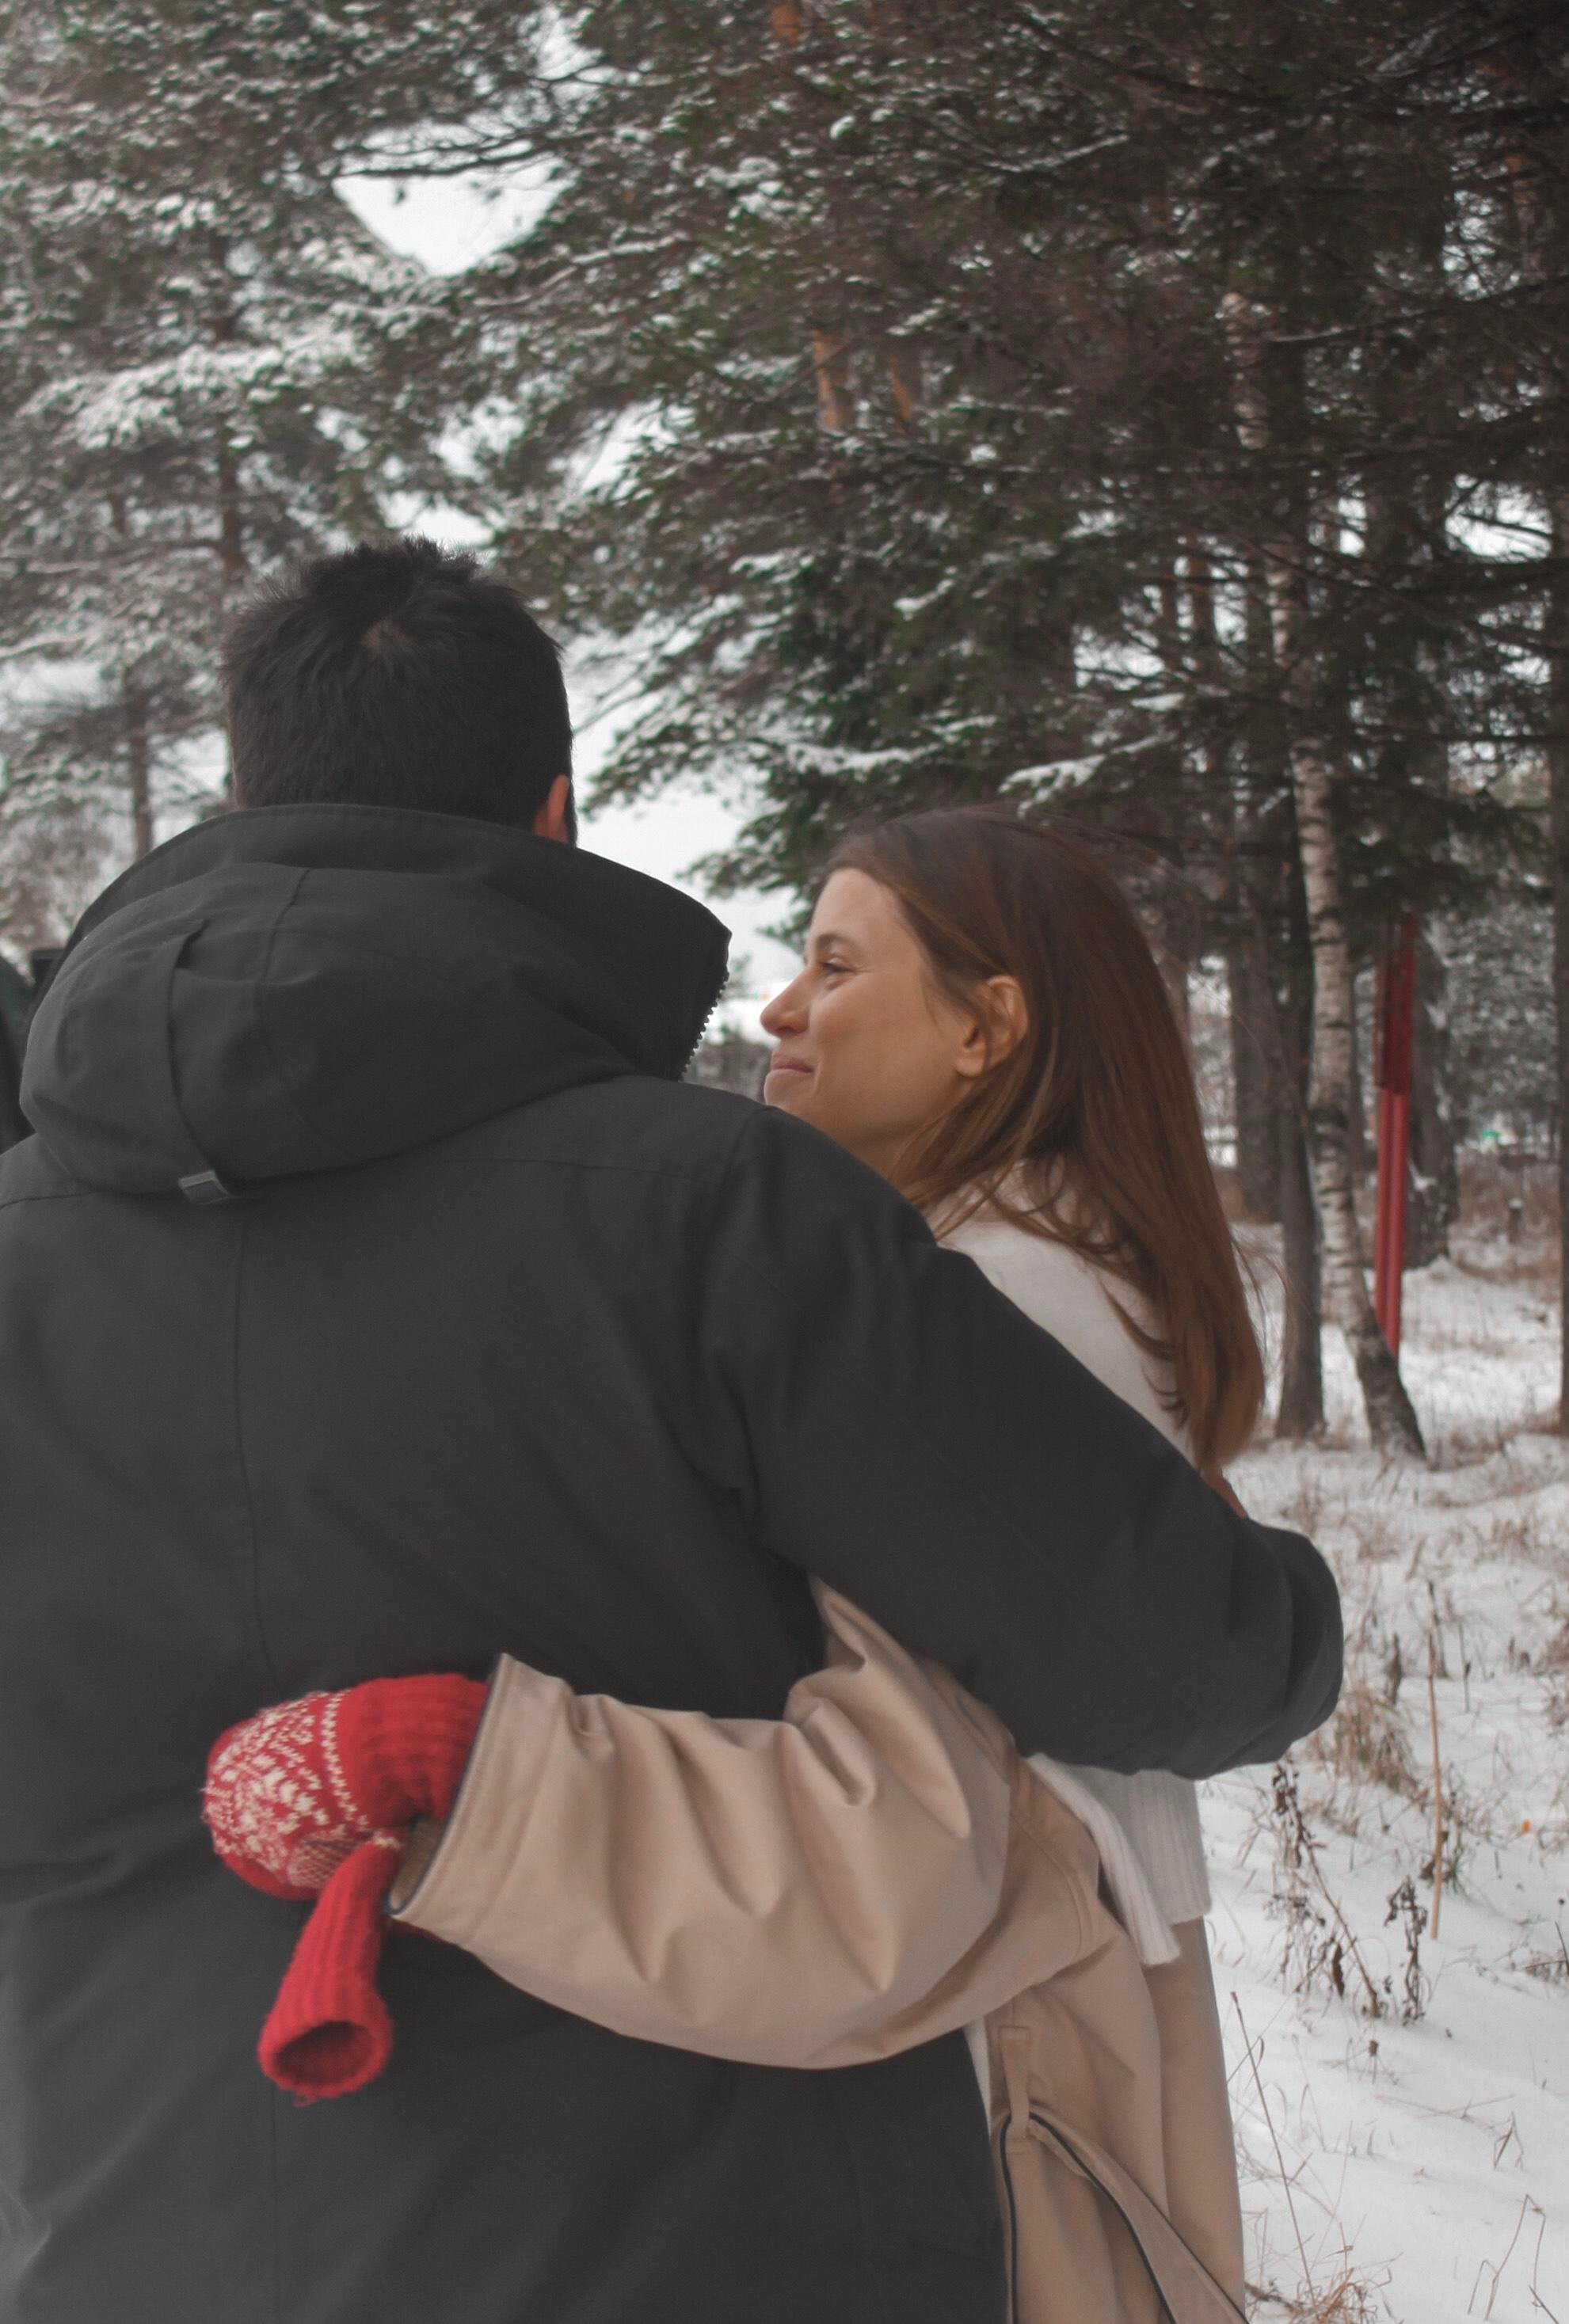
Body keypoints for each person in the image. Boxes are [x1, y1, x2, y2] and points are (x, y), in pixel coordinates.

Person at [0, 536, 1339, 2324]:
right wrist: (1300, 1618)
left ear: (249, 794)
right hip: (714, 2241)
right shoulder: (714, 1212)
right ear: (553, 813)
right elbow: (1161, 1651)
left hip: (127, 2227)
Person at [209, 811, 1291, 2321]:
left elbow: (899, 1805)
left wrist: (453, 1759)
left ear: (988, 1028)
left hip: (1010, 2013)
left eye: (837, 963)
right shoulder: (1029, 1261)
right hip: (1058, 1969)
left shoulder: (996, 1301)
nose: (781, 1006)